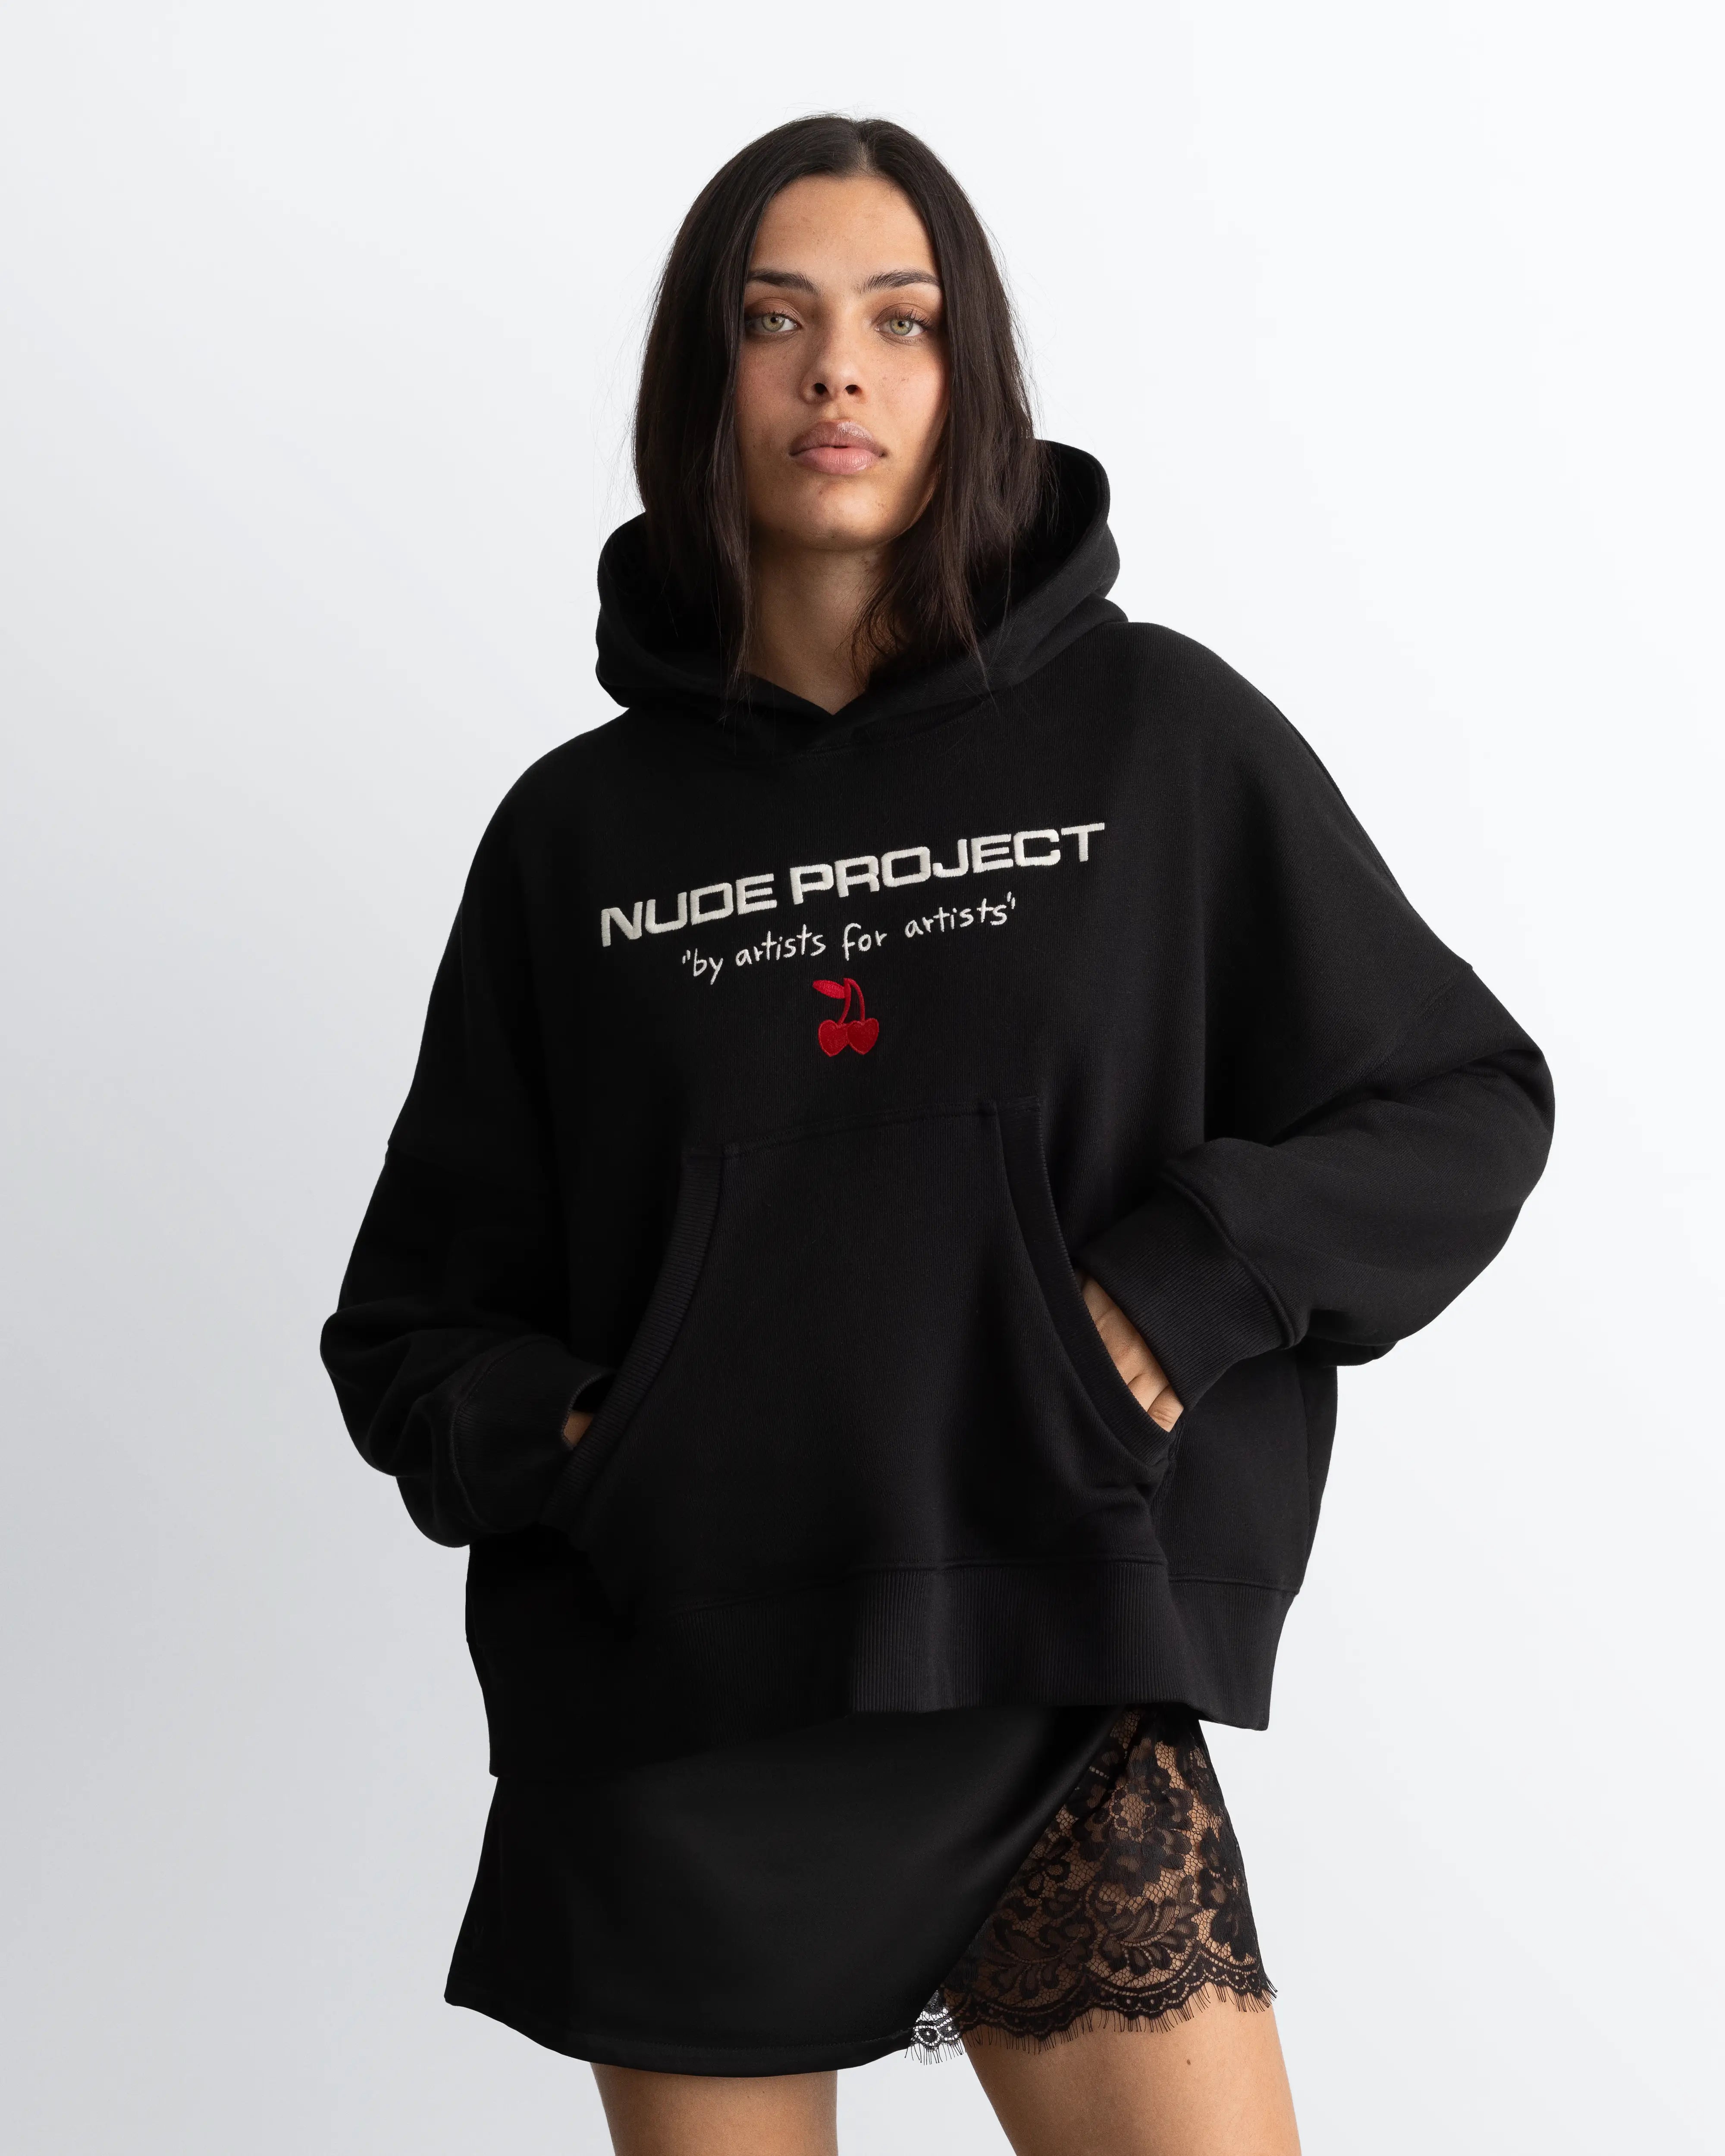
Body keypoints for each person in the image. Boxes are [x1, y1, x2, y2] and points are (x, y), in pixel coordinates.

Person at [320, 114, 1553, 2156]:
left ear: (968, 375)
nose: (839, 369)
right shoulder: (574, 838)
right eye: (774, 320)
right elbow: (410, 1327)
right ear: (702, 380)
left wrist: (1166, 1299)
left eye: (901, 321)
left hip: (1052, 1660)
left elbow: (1458, 1098)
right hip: (686, 1713)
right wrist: (609, 1440)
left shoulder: (1155, 735)